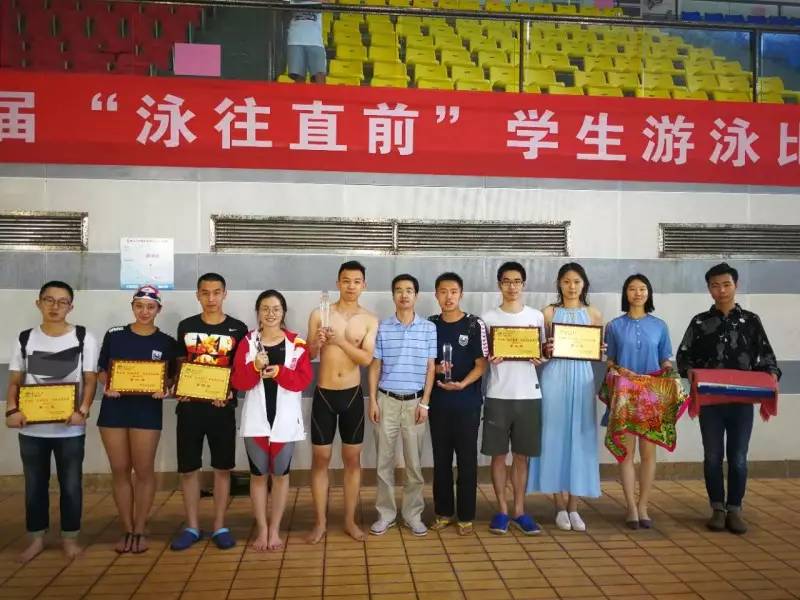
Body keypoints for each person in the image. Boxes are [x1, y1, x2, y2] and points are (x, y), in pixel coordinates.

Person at [676, 262, 781, 535]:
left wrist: (771, 375)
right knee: (712, 457)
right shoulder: (699, 322)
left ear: (736, 286)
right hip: (710, 402)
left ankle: (735, 509)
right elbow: (683, 356)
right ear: (708, 289)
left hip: (741, 404)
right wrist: (689, 371)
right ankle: (717, 509)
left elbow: (767, 357)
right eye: (715, 285)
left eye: (726, 284)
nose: (721, 290)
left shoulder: (751, 321)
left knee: (738, 458)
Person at [5, 281, 98, 563]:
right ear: (39, 303)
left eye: (62, 302)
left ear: (71, 306)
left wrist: (83, 410)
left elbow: (90, 380)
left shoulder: (83, 337)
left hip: (70, 429)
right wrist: (11, 410)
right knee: (34, 485)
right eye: (49, 300)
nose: (55, 307)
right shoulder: (25, 338)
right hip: (32, 429)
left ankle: (70, 537)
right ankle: (36, 538)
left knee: (71, 485)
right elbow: (15, 380)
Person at [96, 285, 177, 554]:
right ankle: (127, 528)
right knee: (120, 469)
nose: (144, 311)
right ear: (132, 306)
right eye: (139, 306)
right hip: (114, 410)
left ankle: (140, 528)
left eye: (150, 307)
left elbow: (171, 378)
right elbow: (101, 370)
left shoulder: (166, 342)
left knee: (143, 471)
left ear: (158, 309)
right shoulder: (115, 335)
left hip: (146, 411)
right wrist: (107, 384)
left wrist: (165, 388)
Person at [171, 273, 248, 551]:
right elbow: (180, 364)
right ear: (198, 295)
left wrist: (229, 392)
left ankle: (219, 526)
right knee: (189, 468)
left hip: (221, 409)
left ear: (225, 294)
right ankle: (192, 526)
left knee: (222, 468)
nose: (211, 298)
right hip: (190, 408)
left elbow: (240, 370)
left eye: (216, 292)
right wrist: (180, 387)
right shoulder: (186, 326)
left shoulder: (238, 329)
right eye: (205, 293)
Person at [231, 290, 313, 551]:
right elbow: (238, 381)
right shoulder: (247, 341)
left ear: (283, 312)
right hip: (256, 420)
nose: (270, 313)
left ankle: (275, 528)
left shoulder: (297, 343)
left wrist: (279, 372)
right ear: (258, 312)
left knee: (280, 475)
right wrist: (254, 367)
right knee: (258, 475)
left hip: (285, 421)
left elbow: (303, 380)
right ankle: (262, 529)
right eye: (265, 308)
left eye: (276, 309)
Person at [306, 261, 378, 544]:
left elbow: (366, 359)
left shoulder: (369, 319)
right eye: (346, 280)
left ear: (364, 285)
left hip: (352, 395)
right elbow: (309, 354)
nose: (351, 286)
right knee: (320, 459)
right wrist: (318, 342)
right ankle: (320, 522)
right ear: (338, 283)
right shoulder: (320, 314)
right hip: (324, 393)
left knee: (352, 460)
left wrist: (338, 342)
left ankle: (349, 520)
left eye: (356, 281)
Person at [528, 262, 602, 532]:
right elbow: (537, 351)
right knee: (554, 437)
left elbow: (598, 352)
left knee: (580, 439)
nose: (572, 287)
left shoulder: (594, 314)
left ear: (584, 285)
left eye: (577, 282)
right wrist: (545, 349)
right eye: (567, 281)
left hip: (582, 379)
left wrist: (600, 349)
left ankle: (574, 506)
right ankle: (559, 505)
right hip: (555, 378)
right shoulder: (548, 312)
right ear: (559, 284)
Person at [368, 274, 436, 537]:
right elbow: (375, 366)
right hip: (386, 401)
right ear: (393, 295)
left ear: (416, 295)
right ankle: (385, 514)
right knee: (383, 462)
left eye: (409, 290)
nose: (404, 295)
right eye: (399, 290)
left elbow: (431, 368)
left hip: (415, 402)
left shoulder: (428, 328)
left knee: (414, 464)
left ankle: (412, 515)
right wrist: (373, 400)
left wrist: (425, 403)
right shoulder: (383, 327)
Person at [604, 274, 674, 530]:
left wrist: (667, 370)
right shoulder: (614, 326)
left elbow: (665, 358)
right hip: (625, 396)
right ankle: (630, 507)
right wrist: (617, 369)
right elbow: (609, 361)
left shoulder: (660, 326)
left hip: (651, 397)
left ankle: (643, 505)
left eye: (642, 288)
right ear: (626, 293)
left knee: (648, 454)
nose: (637, 293)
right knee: (626, 454)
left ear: (649, 293)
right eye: (632, 289)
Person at [481, 261, 546, 536]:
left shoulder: (536, 317)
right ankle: (502, 511)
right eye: (506, 281)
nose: (512, 286)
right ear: (499, 285)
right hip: (498, 395)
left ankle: (520, 510)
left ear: (524, 285)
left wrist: (541, 358)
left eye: (517, 281)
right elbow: (482, 357)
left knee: (522, 457)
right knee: (498, 456)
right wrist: (489, 358)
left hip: (529, 395)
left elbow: (543, 352)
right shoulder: (487, 319)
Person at [428, 272, 488, 536]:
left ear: (461, 294)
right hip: (438, 403)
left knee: (467, 460)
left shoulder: (474, 325)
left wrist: (463, 384)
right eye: (443, 291)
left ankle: (466, 515)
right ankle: (443, 512)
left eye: (453, 291)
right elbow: (425, 363)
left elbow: (481, 364)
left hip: (467, 403)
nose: (448, 297)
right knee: (441, 460)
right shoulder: (430, 325)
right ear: (436, 295)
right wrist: (437, 369)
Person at [287, 1, 327, 84]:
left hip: (315, 40)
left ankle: (319, 94)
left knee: (320, 75)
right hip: (295, 39)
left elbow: (326, 2)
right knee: (299, 76)